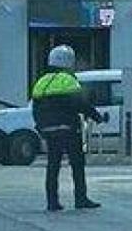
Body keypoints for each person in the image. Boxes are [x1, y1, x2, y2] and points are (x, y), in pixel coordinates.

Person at [31, 46, 107, 212]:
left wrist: (41, 127)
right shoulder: (68, 80)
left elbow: (35, 109)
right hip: (68, 129)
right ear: (68, 62)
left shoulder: (41, 82)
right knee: (77, 164)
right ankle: (81, 198)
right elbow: (80, 104)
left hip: (48, 130)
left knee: (53, 165)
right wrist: (97, 117)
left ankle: (52, 202)